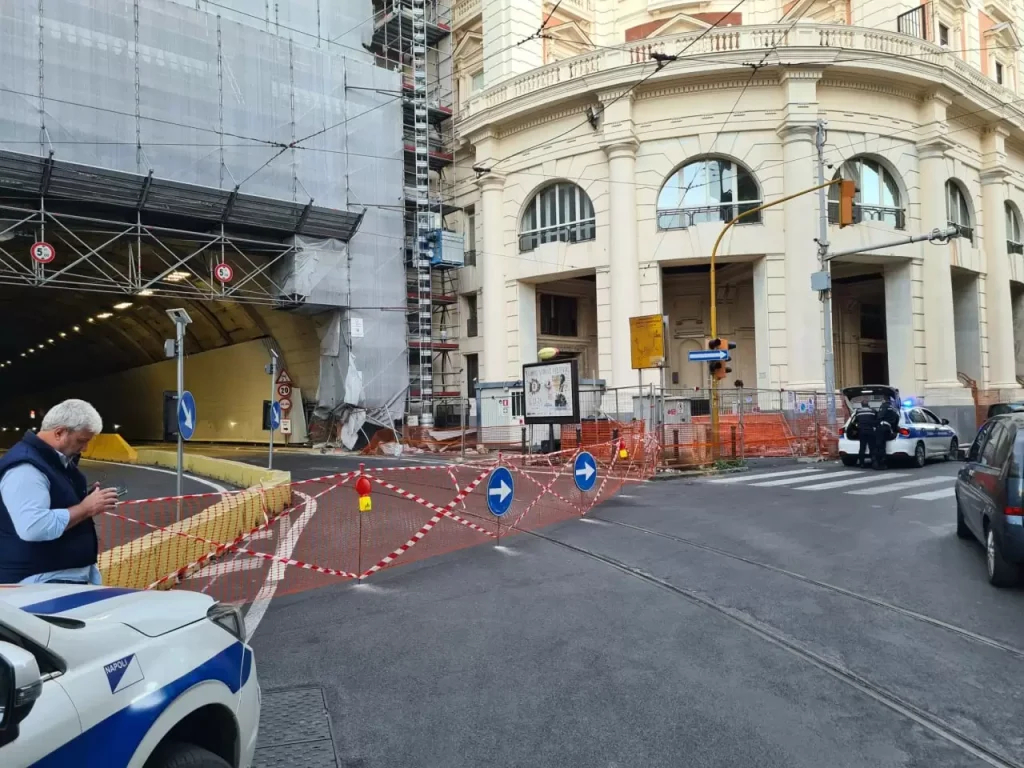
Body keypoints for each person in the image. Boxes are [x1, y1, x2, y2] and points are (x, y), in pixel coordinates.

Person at [0, 399, 119, 585]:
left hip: (58, 576)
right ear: (59, 433)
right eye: (82, 441)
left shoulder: (54, 462)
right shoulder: (25, 469)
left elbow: (53, 501)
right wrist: (85, 508)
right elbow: (34, 527)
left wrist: (83, 499)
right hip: (41, 583)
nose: (85, 448)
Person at [874, 397, 901, 470]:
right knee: (883, 446)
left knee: (879, 446)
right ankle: (883, 463)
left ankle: (878, 463)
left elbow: (879, 417)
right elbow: (897, 418)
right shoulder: (894, 409)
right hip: (888, 429)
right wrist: (894, 428)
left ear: (884, 400)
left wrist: (875, 425)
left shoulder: (884, 406)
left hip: (882, 427)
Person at [853, 403, 878, 467]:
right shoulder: (872, 410)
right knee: (872, 447)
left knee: (862, 447)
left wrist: (857, 428)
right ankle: (874, 462)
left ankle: (862, 463)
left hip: (862, 431)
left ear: (861, 405)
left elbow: (855, 421)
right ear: (868, 404)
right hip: (870, 431)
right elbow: (877, 420)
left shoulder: (858, 411)